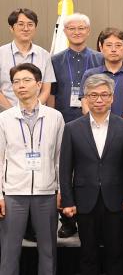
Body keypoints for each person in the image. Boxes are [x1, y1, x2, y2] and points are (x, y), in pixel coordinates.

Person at [59, 74, 123, 275]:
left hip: (116, 200)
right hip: (84, 200)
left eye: (104, 95)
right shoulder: (72, 128)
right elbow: (65, 168)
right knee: (88, 254)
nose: (99, 100)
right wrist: (68, 201)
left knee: (116, 253)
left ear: (112, 97)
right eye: (93, 95)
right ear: (85, 98)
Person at [0, 63, 64, 275]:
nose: (21, 85)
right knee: (9, 250)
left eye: (26, 80)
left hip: (46, 192)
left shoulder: (55, 117)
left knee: (48, 251)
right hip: (13, 193)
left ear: (39, 84)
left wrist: (61, 189)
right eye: (16, 82)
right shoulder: (4, 119)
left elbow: (59, 158)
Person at [48, 12, 103, 239]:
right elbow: (51, 94)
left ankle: (94, 217)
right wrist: (53, 120)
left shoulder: (100, 59)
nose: (77, 32)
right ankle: (68, 220)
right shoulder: (55, 60)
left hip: (96, 123)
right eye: (72, 28)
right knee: (65, 170)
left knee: (91, 170)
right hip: (65, 122)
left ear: (88, 31)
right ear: (65, 32)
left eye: (81, 28)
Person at [80, 28, 123, 123]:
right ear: (101, 48)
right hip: (96, 128)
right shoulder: (90, 74)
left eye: (118, 45)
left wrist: (120, 127)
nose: (113, 49)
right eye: (109, 45)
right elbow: (85, 105)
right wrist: (99, 125)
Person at [0, 8, 55, 109]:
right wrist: (12, 112)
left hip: (37, 113)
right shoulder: (1, 54)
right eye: (20, 24)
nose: (26, 29)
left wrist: (33, 109)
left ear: (35, 28)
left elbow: (46, 90)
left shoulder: (44, 55)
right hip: (6, 114)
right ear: (11, 28)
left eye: (30, 24)